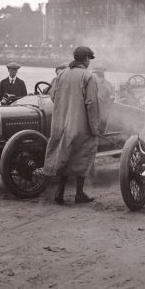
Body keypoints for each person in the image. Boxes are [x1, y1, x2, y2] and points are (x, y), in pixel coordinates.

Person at [43, 46, 100, 205]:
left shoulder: (61, 74)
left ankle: (59, 193)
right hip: (80, 125)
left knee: (64, 155)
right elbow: (91, 103)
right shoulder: (88, 76)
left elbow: (53, 96)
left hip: (61, 124)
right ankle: (79, 194)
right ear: (86, 59)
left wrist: (65, 108)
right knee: (81, 156)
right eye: (89, 59)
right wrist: (94, 127)